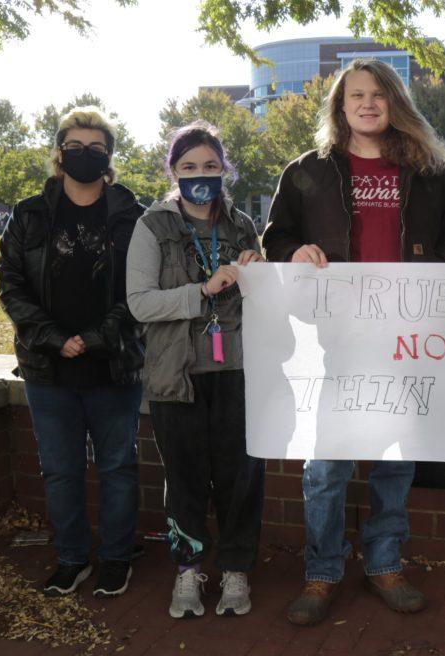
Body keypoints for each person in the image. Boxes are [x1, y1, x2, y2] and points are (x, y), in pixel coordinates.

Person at [262, 58, 445, 626]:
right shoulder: (308, 170)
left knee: (393, 462)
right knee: (327, 466)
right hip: (339, 341)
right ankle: (322, 571)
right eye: (356, 95)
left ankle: (384, 564)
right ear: (341, 106)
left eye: (379, 94)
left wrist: (430, 275)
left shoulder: (428, 171)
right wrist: (294, 252)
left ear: (395, 102)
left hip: (406, 340)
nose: (368, 104)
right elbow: (277, 236)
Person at [0, 106, 145, 598]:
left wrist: (97, 338)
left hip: (113, 364)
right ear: (59, 155)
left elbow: (142, 289)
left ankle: (118, 557)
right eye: (76, 148)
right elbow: (10, 282)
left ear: (109, 158)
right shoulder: (29, 213)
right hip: (47, 367)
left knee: (118, 468)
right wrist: (54, 337)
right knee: (60, 471)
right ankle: (72, 558)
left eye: (96, 149)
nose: (86, 156)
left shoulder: (132, 216)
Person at [126, 122, 265, 619]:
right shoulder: (152, 226)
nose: (200, 176)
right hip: (174, 375)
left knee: (240, 477)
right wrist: (201, 292)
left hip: (238, 371)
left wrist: (258, 267)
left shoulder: (242, 225)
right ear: (173, 171)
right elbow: (140, 304)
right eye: (188, 168)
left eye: (210, 166)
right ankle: (188, 571)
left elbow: (265, 299)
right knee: (184, 479)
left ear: (224, 169)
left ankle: (235, 570)